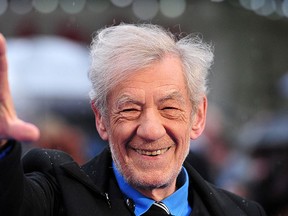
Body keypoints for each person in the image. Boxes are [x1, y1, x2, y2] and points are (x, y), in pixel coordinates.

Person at [0, 23, 266, 216]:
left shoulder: (243, 212)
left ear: (197, 116)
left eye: (169, 108)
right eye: (129, 109)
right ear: (102, 119)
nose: (150, 130)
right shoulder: (58, 198)